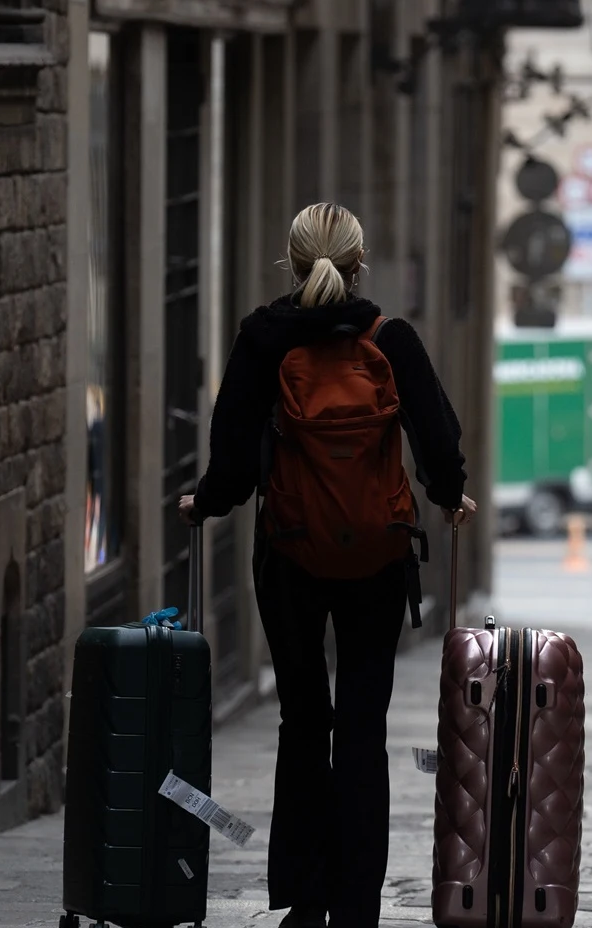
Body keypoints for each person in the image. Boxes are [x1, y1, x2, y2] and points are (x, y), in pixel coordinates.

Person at [178, 202, 475, 928]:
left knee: (304, 719)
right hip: (377, 555)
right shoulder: (391, 338)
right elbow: (437, 434)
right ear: (358, 262)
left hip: (289, 553)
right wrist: (448, 494)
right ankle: (356, 906)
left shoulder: (263, 338)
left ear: (292, 258)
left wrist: (204, 504)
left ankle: (305, 898)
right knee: (364, 725)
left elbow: (234, 458)